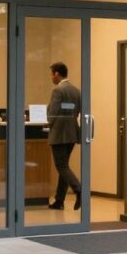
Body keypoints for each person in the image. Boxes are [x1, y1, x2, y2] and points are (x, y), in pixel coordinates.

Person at [46, 62, 82, 211]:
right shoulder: (76, 90)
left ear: (56, 73)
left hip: (59, 133)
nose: (51, 78)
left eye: (51, 74)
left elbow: (52, 114)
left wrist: (48, 121)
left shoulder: (58, 90)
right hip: (72, 132)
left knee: (61, 166)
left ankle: (79, 189)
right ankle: (59, 200)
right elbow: (76, 110)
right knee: (64, 166)